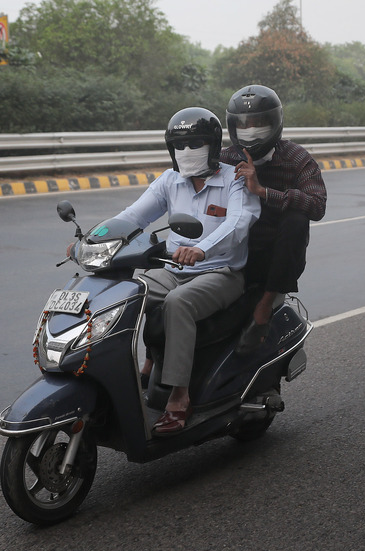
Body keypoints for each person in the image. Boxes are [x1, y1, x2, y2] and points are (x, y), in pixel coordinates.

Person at [113, 106, 260, 434]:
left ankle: (180, 397)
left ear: (212, 146)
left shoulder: (233, 179)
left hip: (221, 272)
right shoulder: (170, 181)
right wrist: (93, 239)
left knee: (178, 303)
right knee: (132, 293)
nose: (186, 153)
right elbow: (133, 216)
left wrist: (202, 248)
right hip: (174, 269)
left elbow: (238, 222)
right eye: (179, 146)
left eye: (195, 144)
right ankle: (146, 364)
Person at [219, 85, 327, 353]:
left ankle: (265, 307)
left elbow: (317, 206)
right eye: (244, 125)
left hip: (274, 256)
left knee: (297, 219)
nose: (251, 131)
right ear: (233, 126)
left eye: (259, 124)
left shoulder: (296, 159)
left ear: (275, 123)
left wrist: (264, 192)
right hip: (230, 252)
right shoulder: (224, 159)